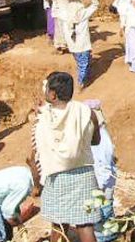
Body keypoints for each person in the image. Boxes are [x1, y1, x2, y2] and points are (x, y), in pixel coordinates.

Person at [34, 72, 101, 242]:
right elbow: (96, 140)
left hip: (57, 176)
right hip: (84, 174)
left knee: (58, 224)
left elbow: (35, 150)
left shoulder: (43, 118)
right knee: (85, 225)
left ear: (52, 95)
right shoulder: (87, 112)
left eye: (46, 88)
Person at [83, 100, 118, 242]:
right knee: (102, 219)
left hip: (102, 184)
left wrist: (99, 187)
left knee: (102, 219)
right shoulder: (97, 135)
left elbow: (104, 165)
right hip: (100, 182)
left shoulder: (101, 137)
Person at [64, 0, 99, 90]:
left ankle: (83, 78)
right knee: (84, 63)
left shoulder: (66, 16)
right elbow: (95, 5)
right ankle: (81, 82)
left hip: (73, 46)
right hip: (82, 44)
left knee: (80, 63)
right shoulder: (82, 14)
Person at [110, 0, 135, 73]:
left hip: (133, 25)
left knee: (134, 46)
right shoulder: (129, 5)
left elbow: (123, 19)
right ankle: (133, 63)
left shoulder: (121, 6)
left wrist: (121, 29)